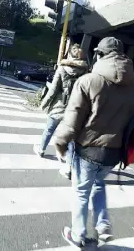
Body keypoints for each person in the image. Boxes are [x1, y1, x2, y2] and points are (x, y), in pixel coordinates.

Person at [54, 37, 134, 249]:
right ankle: (102, 225)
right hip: (114, 152)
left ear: (99, 55)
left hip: (88, 150)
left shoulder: (88, 81)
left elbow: (73, 118)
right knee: (98, 183)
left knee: (81, 192)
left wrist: (60, 143)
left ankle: (78, 234)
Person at [33, 43, 88, 179]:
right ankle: (68, 168)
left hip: (59, 107)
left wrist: (44, 104)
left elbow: (53, 90)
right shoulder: (86, 71)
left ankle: (41, 150)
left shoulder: (62, 69)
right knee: (72, 140)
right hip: (75, 110)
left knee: (49, 129)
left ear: (69, 54)